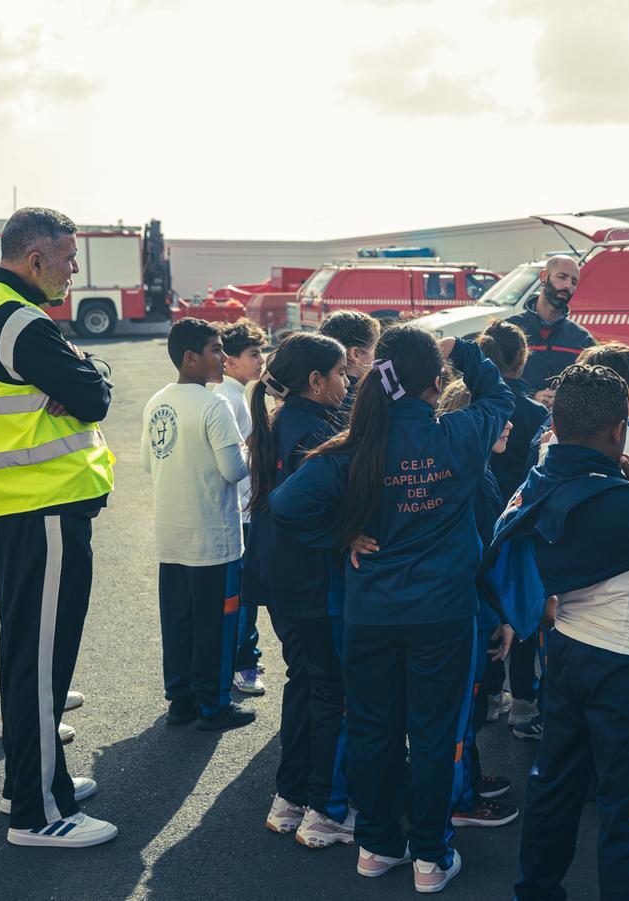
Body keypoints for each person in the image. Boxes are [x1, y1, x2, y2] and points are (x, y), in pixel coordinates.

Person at [270, 325, 513, 893]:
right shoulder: (460, 433)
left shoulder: (354, 447)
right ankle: (430, 856)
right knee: (434, 737)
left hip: (371, 616)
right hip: (444, 617)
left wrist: (341, 534)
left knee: (375, 731)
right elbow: (500, 397)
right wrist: (467, 351)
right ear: (436, 382)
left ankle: (377, 846)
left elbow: (284, 507)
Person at [480, 363, 629, 900]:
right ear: (616, 432)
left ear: (556, 423)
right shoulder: (622, 502)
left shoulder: (535, 485)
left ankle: (536, 890)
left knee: (553, 786)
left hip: (566, 653)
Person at [0, 207, 116, 847]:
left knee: (28, 652)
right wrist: (86, 375)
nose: (75, 270)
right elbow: (97, 396)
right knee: (42, 661)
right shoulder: (18, 321)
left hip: (23, 505)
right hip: (42, 504)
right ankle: (40, 812)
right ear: (35, 260)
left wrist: (82, 370)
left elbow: (85, 379)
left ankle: (33, 781)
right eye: (69, 259)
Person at [243, 333, 355, 846]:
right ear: (316, 381)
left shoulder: (278, 420)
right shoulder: (318, 430)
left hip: (280, 579)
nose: (348, 380)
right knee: (330, 690)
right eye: (340, 373)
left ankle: (290, 799)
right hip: (311, 581)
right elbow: (299, 510)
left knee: (305, 683)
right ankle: (324, 811)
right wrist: (344, 535)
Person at [141, 318, 255, 732]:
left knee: (179, 623)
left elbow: (146, 462)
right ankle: (214, 704)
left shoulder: (157, 401)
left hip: (171, 535)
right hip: (214, 540)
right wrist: (249, 449)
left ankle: (182, 700)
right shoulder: (215, 405)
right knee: (216, 626)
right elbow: (233, 471)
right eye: (215, 349)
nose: (223, 357)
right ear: (191, 358)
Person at [434, 380, 519, 829]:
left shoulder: (448, 467)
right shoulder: (479, 479)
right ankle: (464, 800)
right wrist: (503, 616)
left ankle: (468, 779)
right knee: (462, 714)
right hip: (470, 608)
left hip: (441, 603)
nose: (508, 423)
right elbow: (485, 557)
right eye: (493, 417)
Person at [476, 320, 549, 733]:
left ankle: (487, 694)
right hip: (516, 522)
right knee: (521, 608)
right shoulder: (534, 412)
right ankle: (523, 701)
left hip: (479, 520)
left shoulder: (469, 401)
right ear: (522, 361)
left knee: (488, 607)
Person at [214, 318, 268, 696]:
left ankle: (242, 656)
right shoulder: (230, 399)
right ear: (229, 361)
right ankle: (243, 663)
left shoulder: (237, 394)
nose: (261, 359)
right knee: (245, 594)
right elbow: (239, 462)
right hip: (243, 511)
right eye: (253, 354)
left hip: (244, 509)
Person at [505, 256, 595, 406]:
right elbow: (492, 381)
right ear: (543, 277)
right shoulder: (509, 330)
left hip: (565, 426)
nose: (567, 286)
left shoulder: (583, 340)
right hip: (515, 425)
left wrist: (566, 398)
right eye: (562, 277)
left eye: (574, 282)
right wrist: (531, 396)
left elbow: (594, 390)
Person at [319, 309, 380, 412]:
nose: (378, 356)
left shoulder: (315, 390)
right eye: (376, 348)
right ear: (355, 354)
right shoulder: (364, 398)